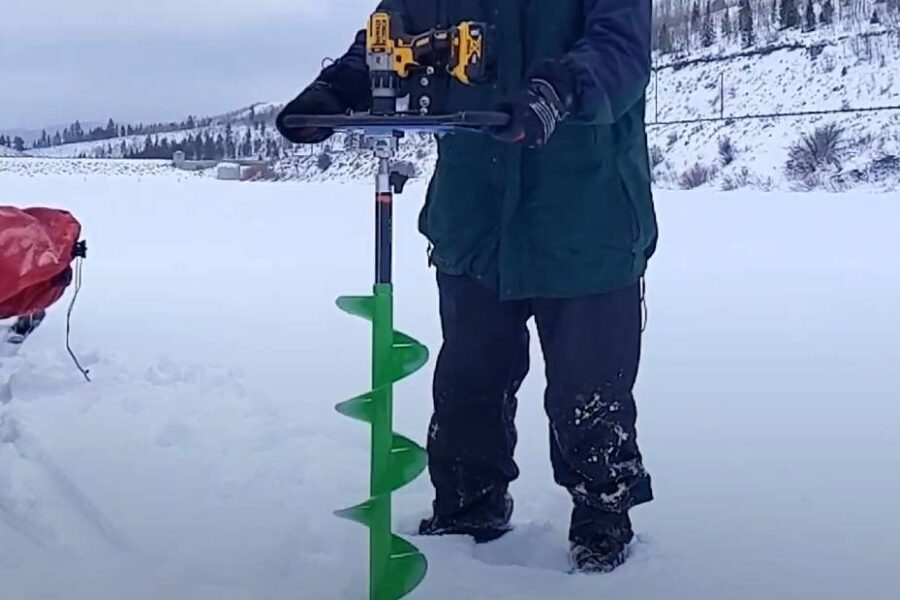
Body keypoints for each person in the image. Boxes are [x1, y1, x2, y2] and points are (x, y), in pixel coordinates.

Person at [277, 0, 658, 574]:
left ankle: (603, 517)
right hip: (476, 223)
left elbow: (619, 53)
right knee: (468, 386)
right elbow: (390, 42)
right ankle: (466, 511)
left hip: (587, 219)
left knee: (589, 396)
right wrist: (336, 89)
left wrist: (558, 91)